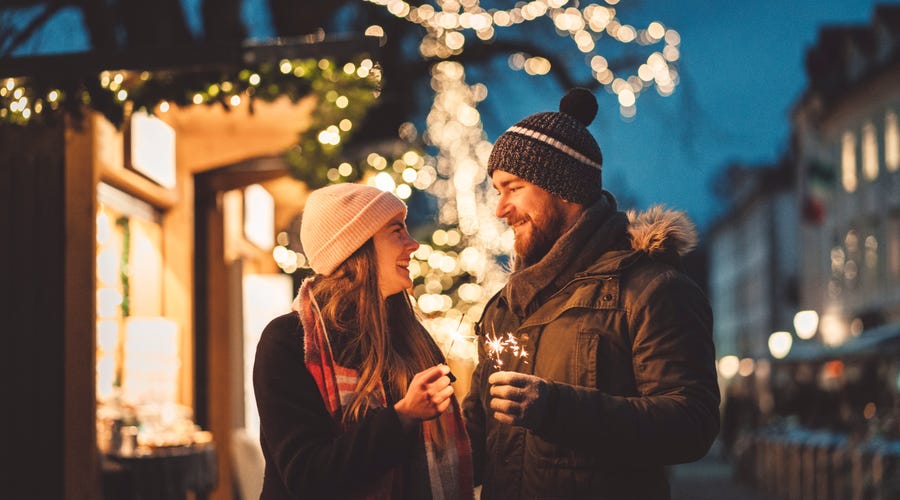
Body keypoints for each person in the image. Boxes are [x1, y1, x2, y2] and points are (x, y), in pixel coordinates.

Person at [461, 88, 720, 499]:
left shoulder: (651, 290)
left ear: (562, 187)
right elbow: (473, 443)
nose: (500, 209)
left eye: (513, 187)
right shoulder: (506, 309)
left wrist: (557, 409)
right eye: (497, 191)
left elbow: (692, 423)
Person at [253, 183, 473, 499]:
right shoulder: (288, 341)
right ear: (355, 247)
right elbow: (306, 475)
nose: (413, 245)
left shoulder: (411, 337)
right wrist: (403, 417)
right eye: (397, 232)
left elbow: (445, 454)